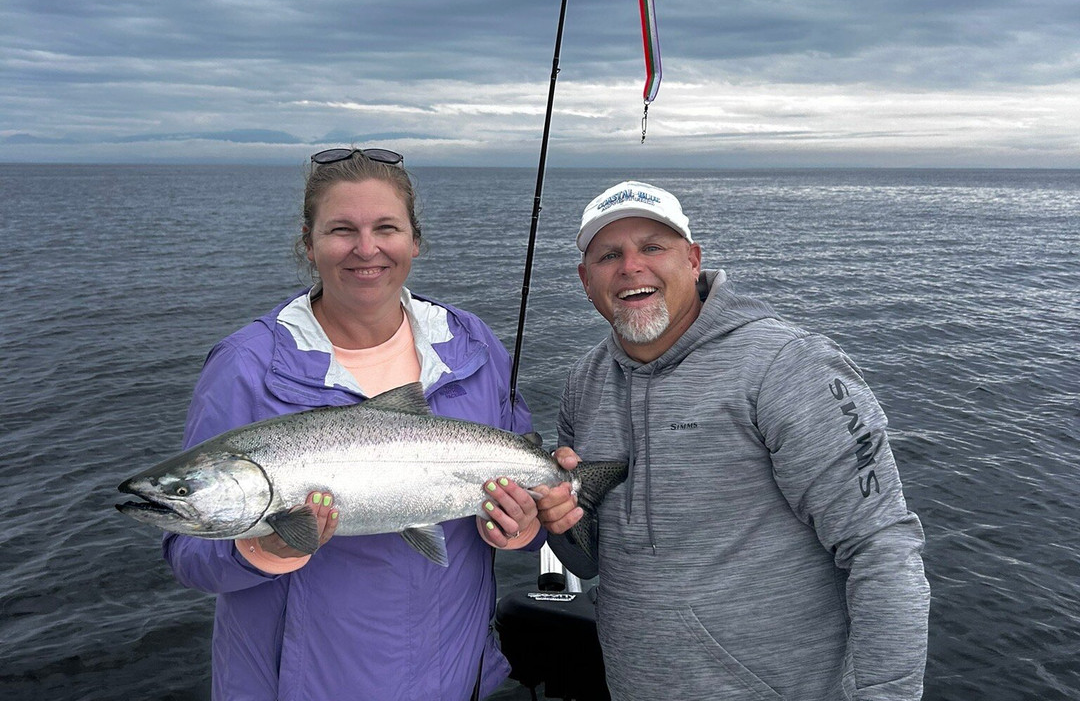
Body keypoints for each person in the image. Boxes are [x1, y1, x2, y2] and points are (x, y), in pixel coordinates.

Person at [163, 148, 542, 701]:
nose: (367, 249)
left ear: (414, 238)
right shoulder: (245, 365)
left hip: (457, 679)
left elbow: (528, 489)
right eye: (342, 230)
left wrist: (525, 530)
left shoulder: (472, 345)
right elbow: (187, 551)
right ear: (308, 242)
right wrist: (263, 550)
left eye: (385, 227)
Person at [535, 180, 931, 700]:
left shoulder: (787, 365)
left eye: (653, 246)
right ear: (587, 281)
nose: (631, 266)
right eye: (609, 255)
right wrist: (560, 524)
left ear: (693, 259)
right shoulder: (584, 383)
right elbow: (587, 564)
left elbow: (881, 547)